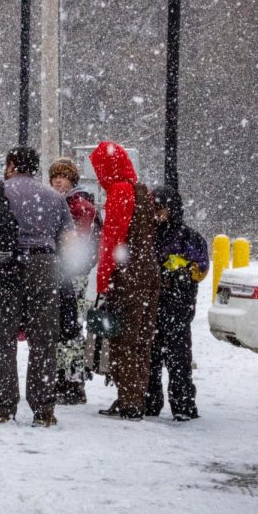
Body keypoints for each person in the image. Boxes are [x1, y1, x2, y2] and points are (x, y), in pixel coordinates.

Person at [0, 147, 74, 426]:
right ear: (35, 168)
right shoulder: (54, 198)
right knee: (44, 340)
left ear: (11, 165)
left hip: (4, 267)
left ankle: (4, 404)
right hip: (44, 266)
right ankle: (43, 409)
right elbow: (67, 240)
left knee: (2, 339)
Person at [90, 142, 160, 421]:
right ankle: (135, 397)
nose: (98, 176)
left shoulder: (119, 192)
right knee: (142, 340)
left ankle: (129, 400)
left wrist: (103, 278)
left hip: (128, 277)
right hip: (148, 275)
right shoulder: (142, 191)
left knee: (123, 340)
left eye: (99, 169)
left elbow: (112, 241)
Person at [146, 185, 208, 421]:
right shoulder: (147, 234)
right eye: (153, 209)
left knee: (178, 359)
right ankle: (151, 401)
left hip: (177, 308)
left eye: (160, 209)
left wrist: (182, 273)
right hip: (153, 306)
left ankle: (182, 404)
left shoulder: (188, 237)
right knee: (151, 358)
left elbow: (201, 268)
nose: (156, 214)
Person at [48, 158, 100, 405]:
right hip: (68, 273)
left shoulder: (78, 205)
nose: (58, 180)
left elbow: (72, 242)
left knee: (69, 328)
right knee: (65, 327)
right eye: (55, 176)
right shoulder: (68, 202)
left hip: (74, 275)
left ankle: (71, 383)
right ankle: (67, 380)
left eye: (63, 176)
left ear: (72, 180)